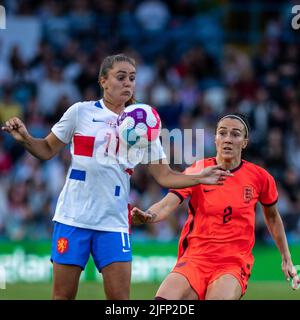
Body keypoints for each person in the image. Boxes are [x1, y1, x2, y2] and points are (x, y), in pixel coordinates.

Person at [1, 54, 232, 300]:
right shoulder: (80, 112)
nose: (128, 83)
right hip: (72, 218)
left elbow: (164, 176)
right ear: (103, 81)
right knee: (62, 297)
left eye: (132, 78)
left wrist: (199, 177)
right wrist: (26, 138)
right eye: (120, 77)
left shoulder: (144, 123)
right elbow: (46, 149)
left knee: (120, 301)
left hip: (113, 222)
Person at [131, 113, 300, 300]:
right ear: (215, 139)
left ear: (244, 142)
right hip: (194, 259)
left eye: (235, 134)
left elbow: (273, 217)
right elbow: (167, 203)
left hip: (232, 263)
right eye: (223, 133)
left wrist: (286, 256)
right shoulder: (199, 171)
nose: (228, 139)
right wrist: (149, 216)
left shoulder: (259, 177)